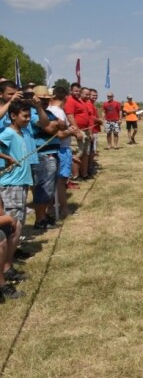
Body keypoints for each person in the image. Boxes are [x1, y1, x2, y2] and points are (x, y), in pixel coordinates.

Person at [0, 100, 33, 300]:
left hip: (21, 183)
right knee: (12, 226)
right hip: (11, 184)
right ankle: (6, 268)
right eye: (25, 116)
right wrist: (7, 157)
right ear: (13, 116)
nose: (28, 120)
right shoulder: (8, 133)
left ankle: (8, 265)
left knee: (18, 226)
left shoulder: (20, 133)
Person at [30, 86, 61, 230]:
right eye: (42, 99)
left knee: (48, 188)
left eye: (47, 99)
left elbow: (62, 124)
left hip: (52, 153)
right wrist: (53, 125)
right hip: (43, 155)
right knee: (43, 188)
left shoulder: (47, 112)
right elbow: (48, 128)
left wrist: (54, 124)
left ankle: (43, 216)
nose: (45, 102)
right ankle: (40, 219)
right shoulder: (33, 112)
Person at [47, 86, 76, 217]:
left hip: (55, 150)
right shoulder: (58, 112)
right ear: (65, 98)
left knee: (52, 180)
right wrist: (71, 131)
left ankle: (51, 208)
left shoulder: (49, 110)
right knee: (61, 180)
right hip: (62, 150)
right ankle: (64, 209)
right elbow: (58, 134)